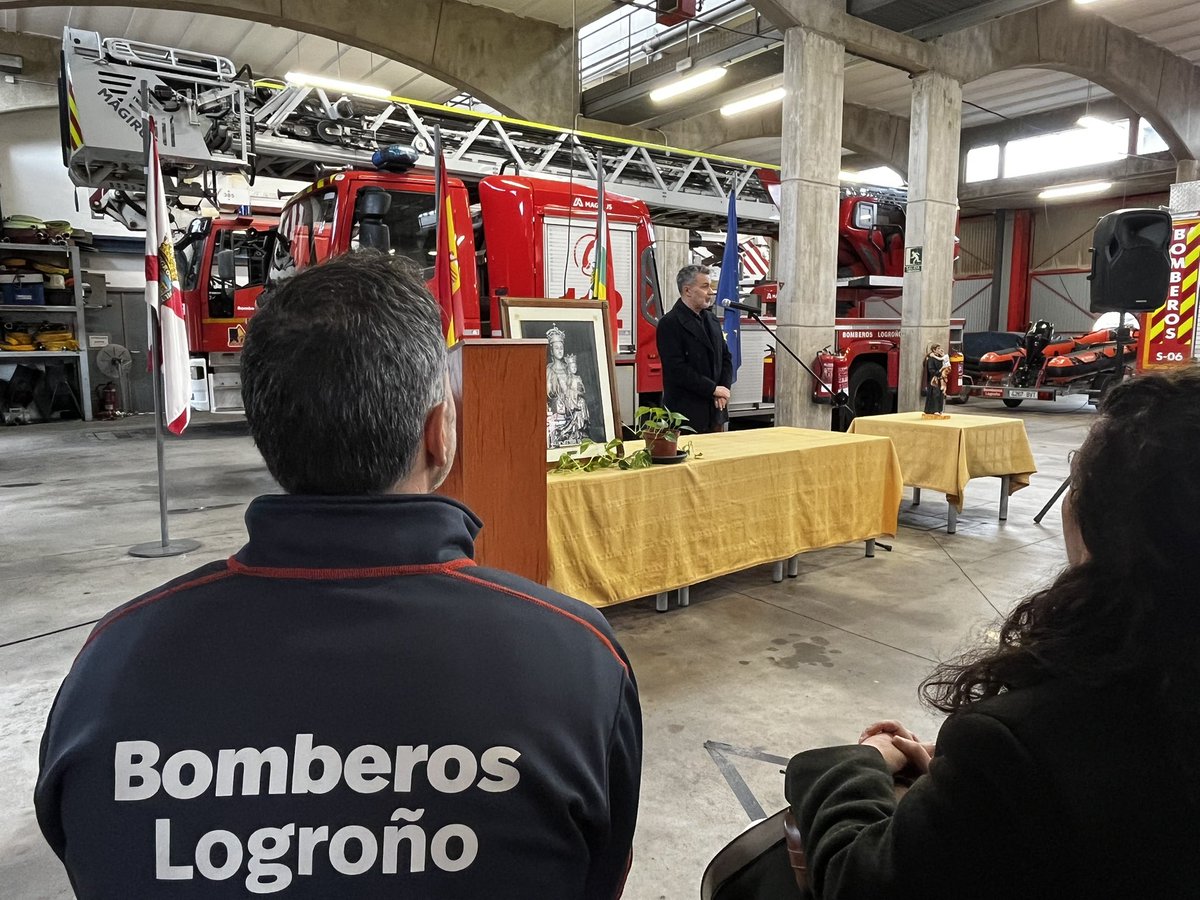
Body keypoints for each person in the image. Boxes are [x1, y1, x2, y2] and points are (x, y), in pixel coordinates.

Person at [35, 251, 642, 899]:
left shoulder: (110, 667)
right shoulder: (579, 660)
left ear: (266, 436)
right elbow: (598, 878)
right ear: (439, 435)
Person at [783, 366, 1200, 898]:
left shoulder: (1019, 744)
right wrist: (957, 784)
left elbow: (860, 880)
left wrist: (861, 761)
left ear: (1108, 526)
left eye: (1078, 474)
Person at [656, 264, 734, 434]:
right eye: (705, 286)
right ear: (688, 290)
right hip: (686, 414)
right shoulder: (670, 323)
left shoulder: (712, 319)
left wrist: (723, 389)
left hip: (715, 411)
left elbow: (726, 357)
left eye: (711, 286)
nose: (711, 292)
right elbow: (676, 369)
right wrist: (713, 389)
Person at [922, 342, 950, 419]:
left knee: (940, 394)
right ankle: (933, 410)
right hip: (934, 380)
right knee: (935, 394)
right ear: (934, 350)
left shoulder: (941, 358)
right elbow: (931, 370)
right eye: (937, 348)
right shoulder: (931, 359)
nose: (939, 350)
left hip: (940, 379)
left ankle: (939, 409)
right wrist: (939, 372)